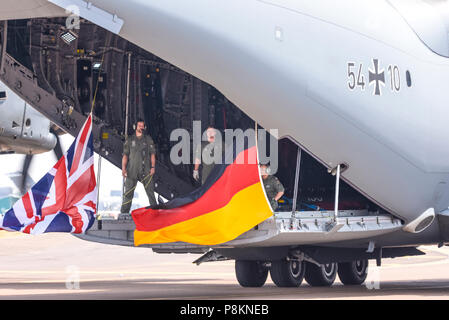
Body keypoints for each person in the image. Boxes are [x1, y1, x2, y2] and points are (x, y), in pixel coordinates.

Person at [120, 119, 157, 213]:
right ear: (135, 127)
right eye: (139, 125)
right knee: (128, 193)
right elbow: (125, 155)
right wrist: (123, 168)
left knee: (150, 192)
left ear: (144, 127)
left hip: (146, 169)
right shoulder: (130, 140)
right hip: (132, 169)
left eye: (142, 125)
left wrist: (153, 167)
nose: (141, 127)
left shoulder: (148, 139)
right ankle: (124, 213)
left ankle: (156, 212)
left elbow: (153, 154)